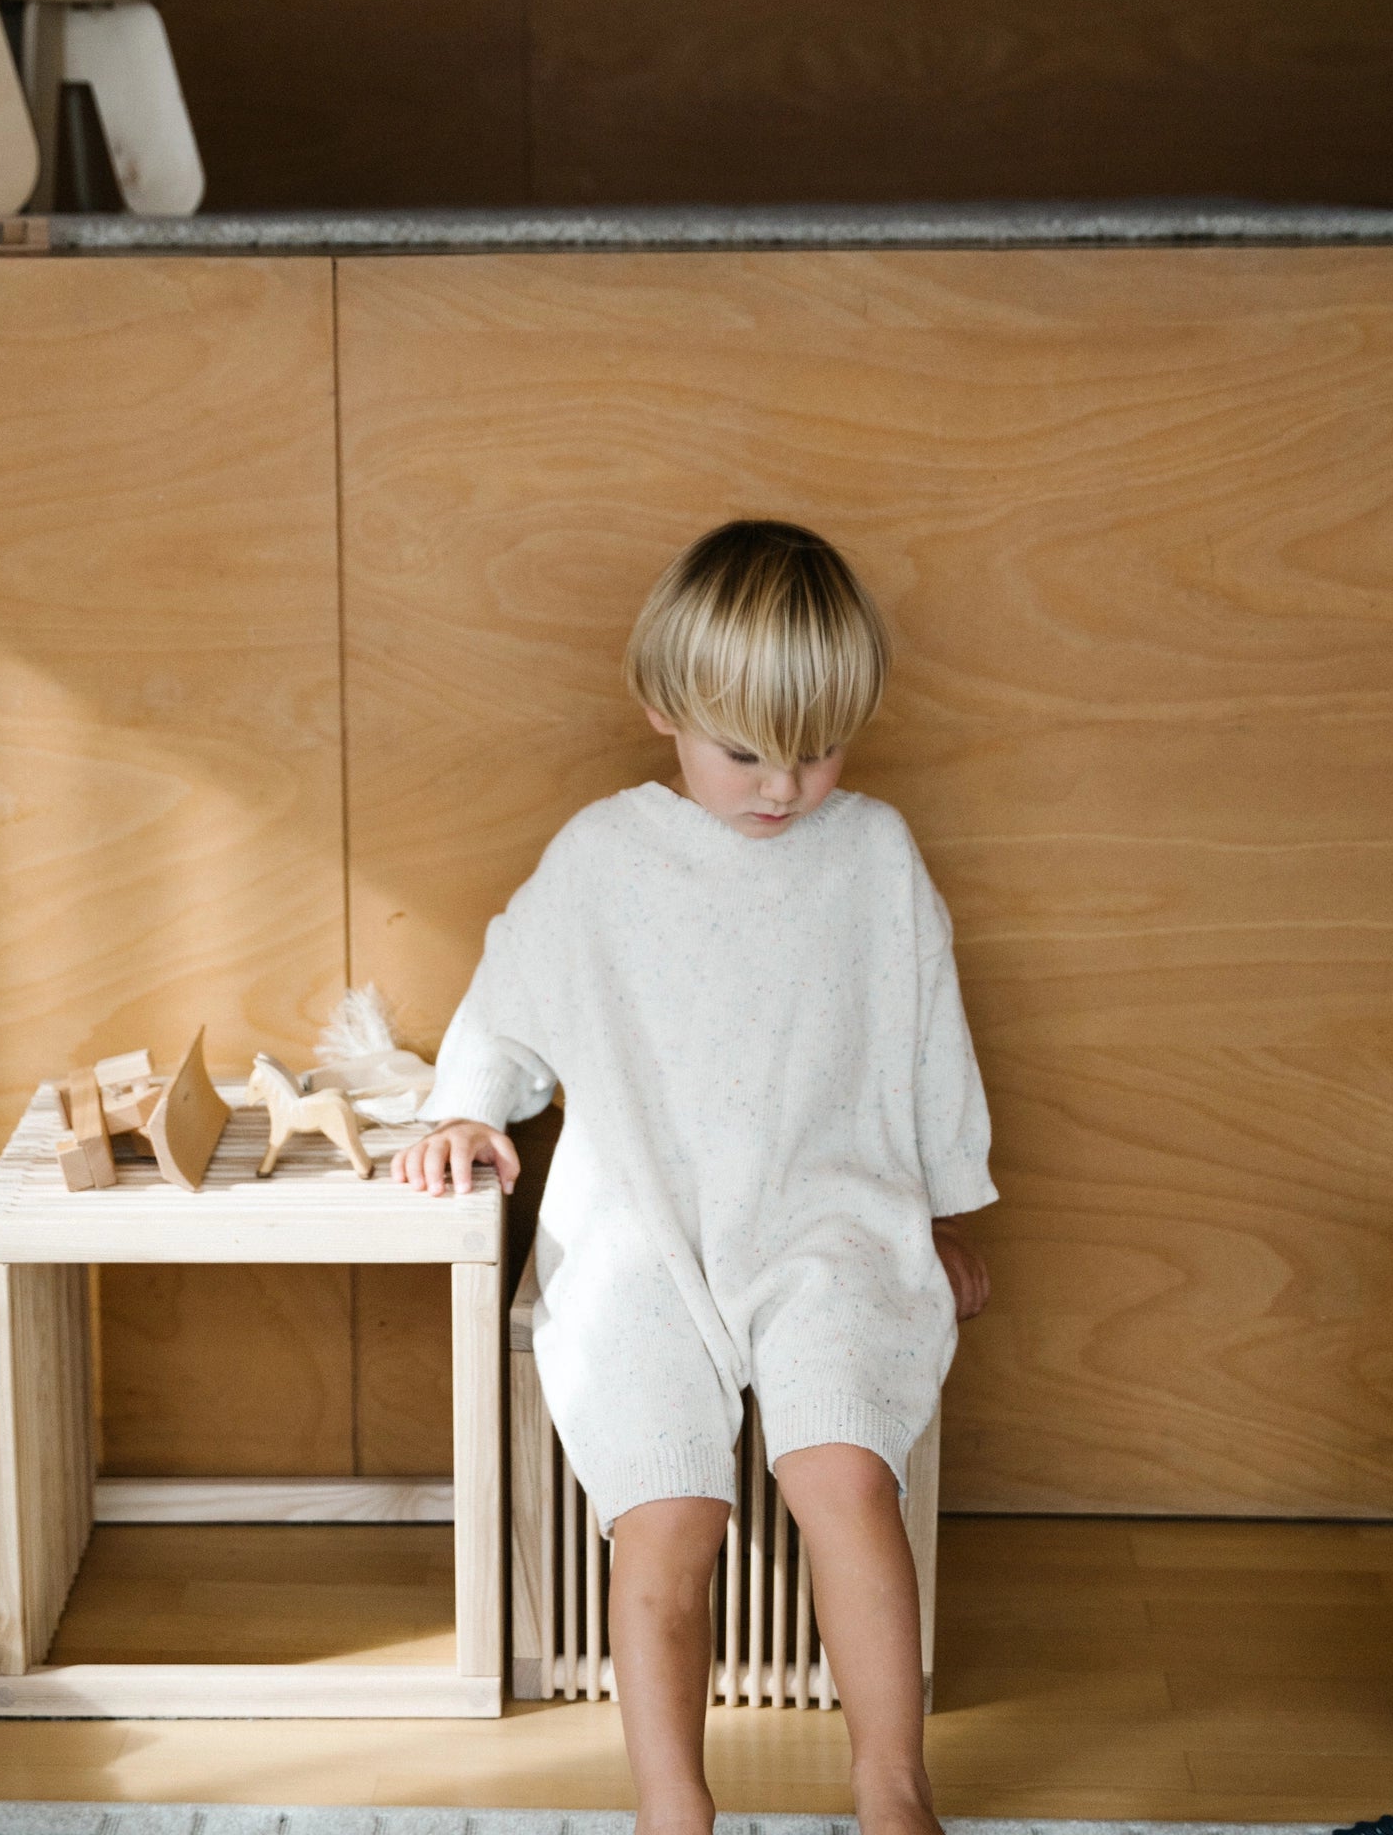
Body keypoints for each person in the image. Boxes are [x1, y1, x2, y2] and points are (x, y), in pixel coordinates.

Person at [391, 518, 995, 1835]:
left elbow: (925, 1038)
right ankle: (675, 1808)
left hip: (825, 1227)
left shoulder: (875, 857)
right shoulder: (605, 859)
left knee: (845, 1478)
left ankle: (892, 1785)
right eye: (746, 756)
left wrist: (936, 1214)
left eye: (819, 751)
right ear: (663, 709)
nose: (784, 790)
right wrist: (466, 1108)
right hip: (642, 1240)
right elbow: (514, 992)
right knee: (667, 1516)